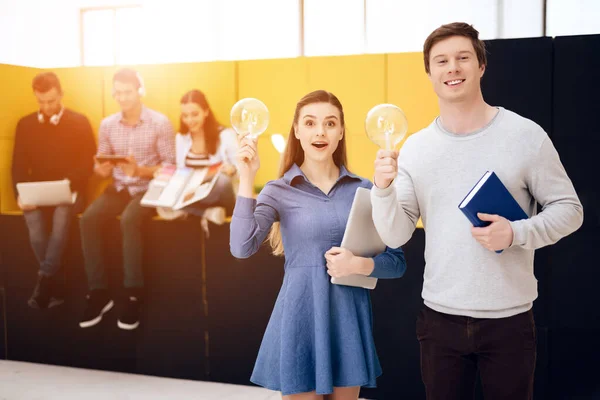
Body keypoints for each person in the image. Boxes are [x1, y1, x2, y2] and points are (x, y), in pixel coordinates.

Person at [371, 22, 584, 400]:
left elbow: (570, 210)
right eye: (441, 61)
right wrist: (382, 190)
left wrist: (516, 233)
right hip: (439, 322)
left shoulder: (525, 135)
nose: (452, 68)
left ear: (481, 66)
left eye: (462, 58)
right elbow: (395, 234)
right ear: (430, 73)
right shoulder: (416, 149)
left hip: (510, 321)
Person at [230, 90, 406, 400]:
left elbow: (397, 262)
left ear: (340, 133)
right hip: (299, 318)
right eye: (310, 123)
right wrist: (247, 176)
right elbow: (241, 247)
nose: (320, 132)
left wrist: (359, 265)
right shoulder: (278, 190)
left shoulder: (366, 189)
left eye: (330, 123)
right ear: (297, 131)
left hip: (348, 320)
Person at [79, 68, 176, 330]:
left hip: (150, 188)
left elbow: (170, 167)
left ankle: (133, 293)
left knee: (130, 220)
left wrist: (141, 171)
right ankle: (98, 292)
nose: (122, 98)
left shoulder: (160, 123)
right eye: (118, 92)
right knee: (88, 220)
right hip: (119, 188)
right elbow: (103, 161)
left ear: (139, 91)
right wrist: (100, 170)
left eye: (127, 92)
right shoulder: (108, 125)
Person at [11, 71, 96, 309]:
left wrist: (68, 183)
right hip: (37, 193)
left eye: (51, 100)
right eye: (41, 101)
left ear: (61, 95)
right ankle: (54, 282)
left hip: (71, 191)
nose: (47, 106)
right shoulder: (25, 124)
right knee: (35, 227)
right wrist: (20, 196)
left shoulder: (79, 122)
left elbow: (88, 163)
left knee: (61, 216)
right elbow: (17, 165)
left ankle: (45, 279)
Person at [169, 89, 237, 221]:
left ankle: (189, 210)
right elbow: (181, 170)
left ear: (205, 112)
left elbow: (240, 168)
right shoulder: (181, 137)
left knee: (222, 181)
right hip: (191, 192)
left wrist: (232, 169)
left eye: (194, 114)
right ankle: (206, 213)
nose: (189, 120)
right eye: (185, 116)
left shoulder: (226, 135)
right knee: (163, 189)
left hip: (219, 194)